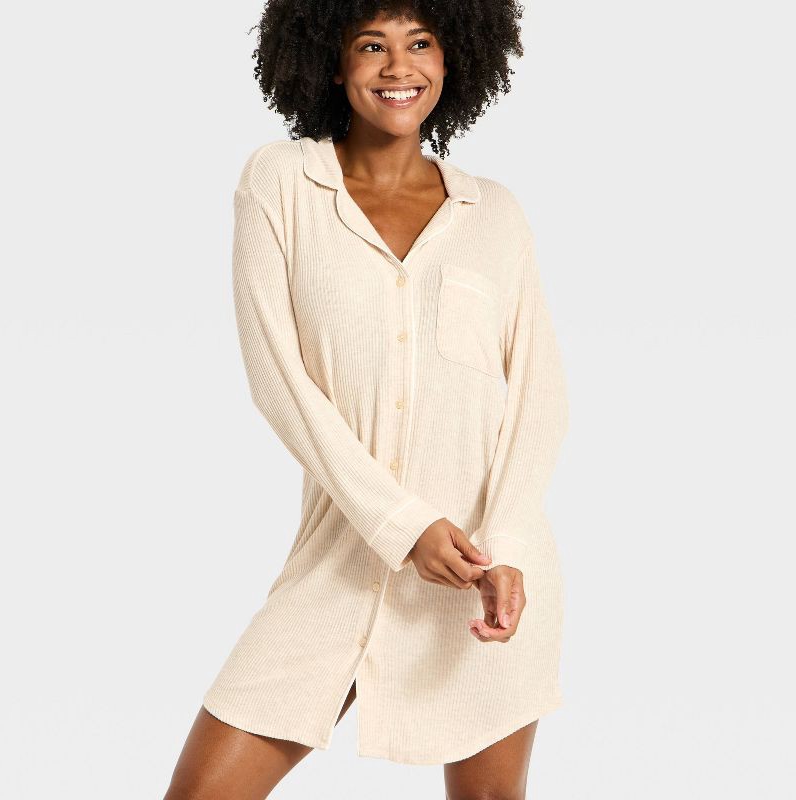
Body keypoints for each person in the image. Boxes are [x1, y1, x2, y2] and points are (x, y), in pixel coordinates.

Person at [164, 2, 570, 798]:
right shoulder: (282, 183)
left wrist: (509, 544)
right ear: (331, 60)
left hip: (484, 569)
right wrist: (403, 526)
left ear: (453, 59)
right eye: (371, 45)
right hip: (341, 564)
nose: (398, 67)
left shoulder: (494, 214)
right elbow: (280, 382)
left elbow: (539, 396)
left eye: (421, 43)